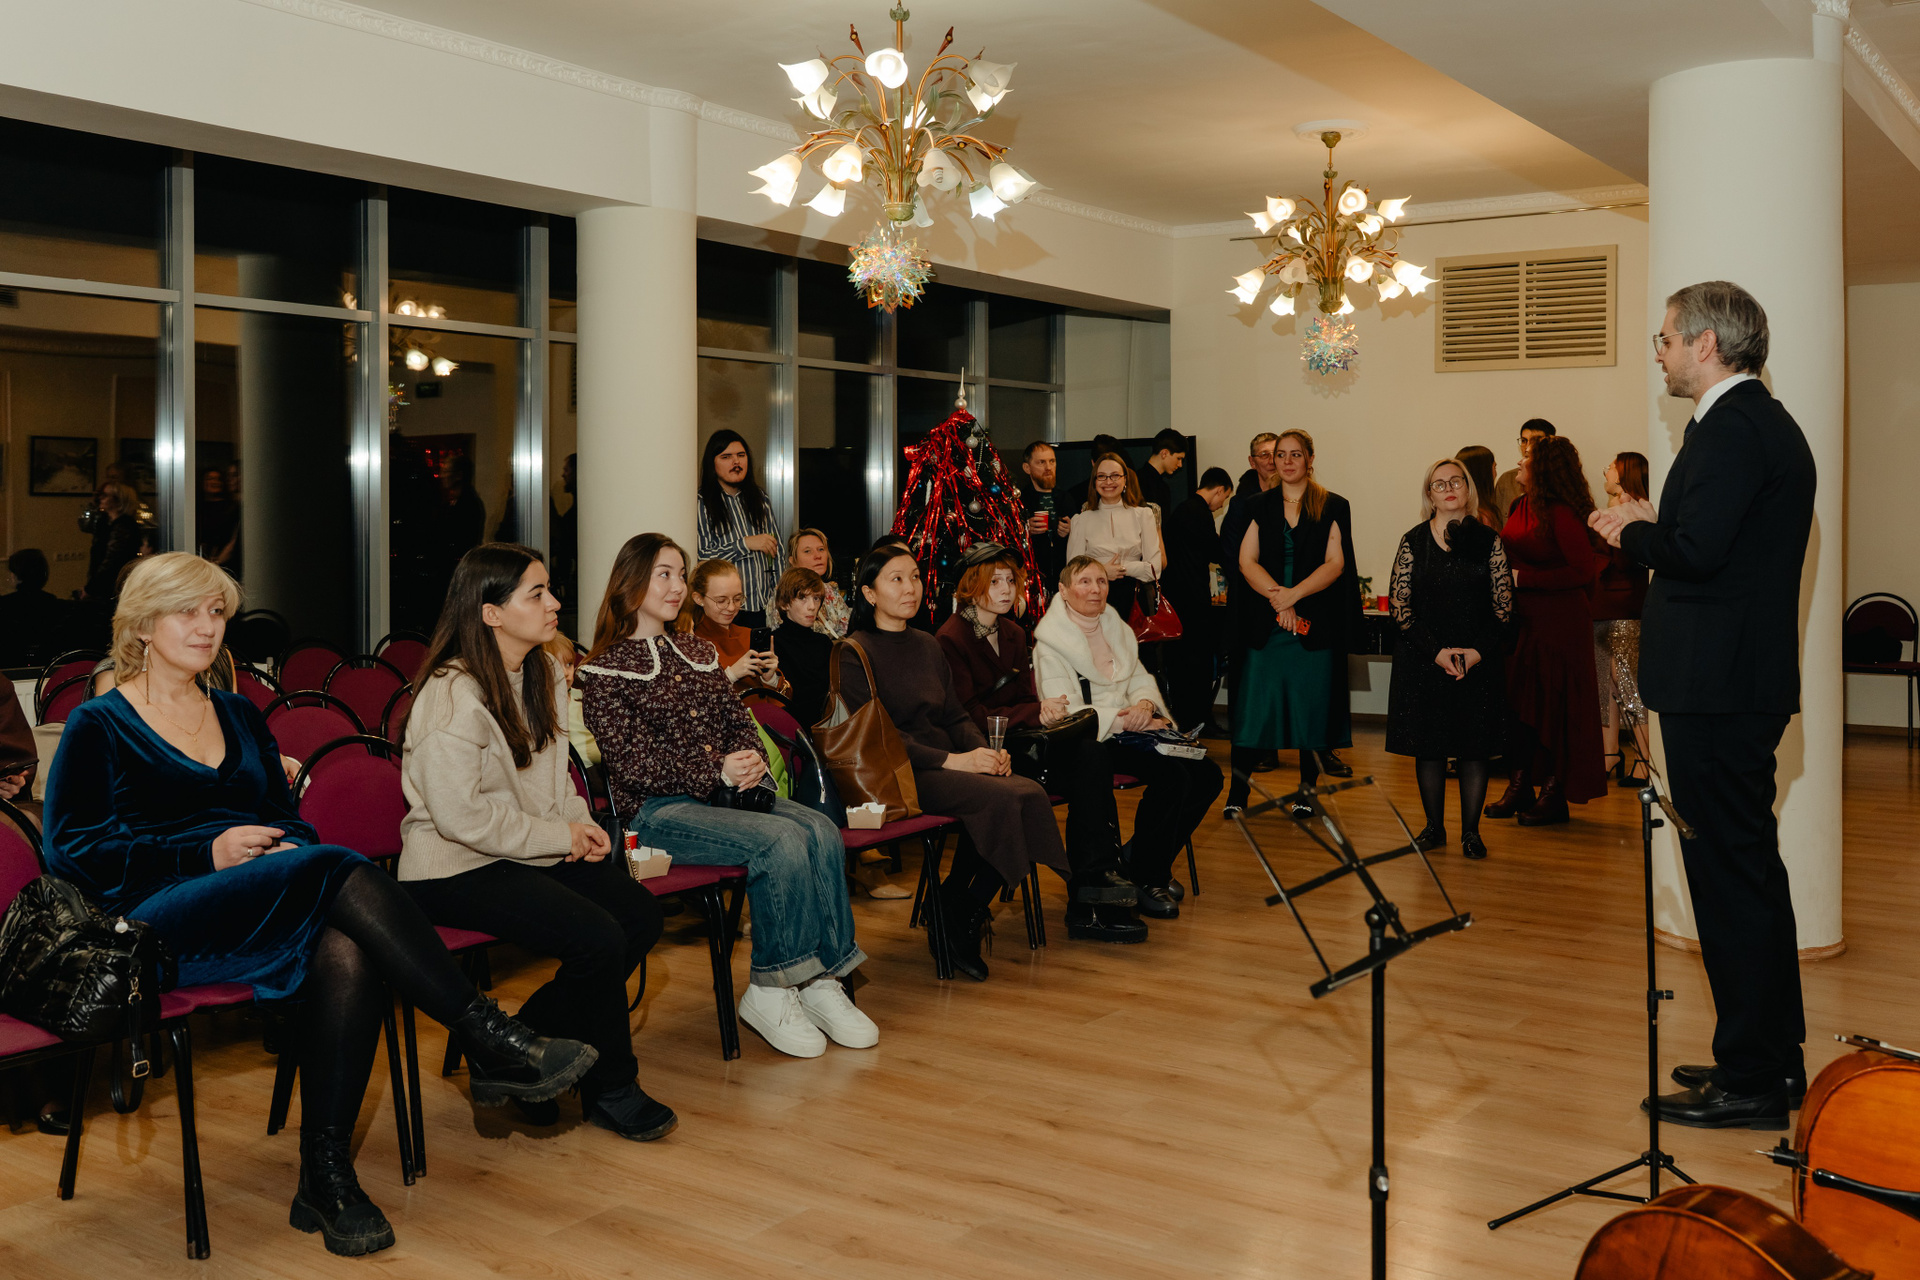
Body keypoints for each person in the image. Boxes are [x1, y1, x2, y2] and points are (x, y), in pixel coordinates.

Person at [43, 552, 594, 1258]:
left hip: (264, 903)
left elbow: (289, 822)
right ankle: (488, 1036)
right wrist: (205, 854)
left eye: (217, 612)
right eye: (187, 612)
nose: (208, 627)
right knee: (336, 865)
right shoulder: (100, 724)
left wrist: (275, 853)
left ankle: (325, 1176)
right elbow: (75, 853)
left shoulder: (238, 713)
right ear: (142, 626)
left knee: (349, 945)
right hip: (157, 920)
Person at [1591, 280, 1814, 1130]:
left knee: (1728, 881)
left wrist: (1632, 531)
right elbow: (1718, 543)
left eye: (1666, 339)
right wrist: (1659, 523)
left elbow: (1698, 554)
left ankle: (1751, 1077)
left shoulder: (1729, 428)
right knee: (1747, 872)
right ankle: (1769, 1058)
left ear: (1706, 345)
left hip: (1717, 689)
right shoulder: (1757, 423)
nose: (1659, 353)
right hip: (1732, 683)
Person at [398, 543, 674, 1140]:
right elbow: (460, 818)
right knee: (598, 937)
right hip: (452, 866)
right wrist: (557, 835)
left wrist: (579, 825)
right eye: (537, 593)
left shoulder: (544, 670)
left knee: (638, 915)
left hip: (524, 848)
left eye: (549, 590)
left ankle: (516, 1046)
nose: (554, 603)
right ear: (491, 613)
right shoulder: (450, 693)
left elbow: (555, 775)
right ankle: (611, 1088)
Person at [580, 532, 877, 1058]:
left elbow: (738, 720)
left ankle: (820, 979)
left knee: (820, 827)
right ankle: (773, 987)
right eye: (664, 574)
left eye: (680, 573)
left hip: (722, 798)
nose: (677, 585)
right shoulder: (603, 670)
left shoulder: (697, 651)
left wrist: (748, 760)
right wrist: (714, 768)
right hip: (655, 814)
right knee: (780, 841)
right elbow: (631, 764)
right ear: (631, 582)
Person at [839, 546, 1069, 981]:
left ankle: (957, 906)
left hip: (946, 761)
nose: (910, 588)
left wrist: (986, 753)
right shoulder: (854, 653)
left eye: (914, 577)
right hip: (901, 772)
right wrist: (958, 761)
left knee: (1027, 792)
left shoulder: (926, 645)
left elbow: (956, 716)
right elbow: (881, 737)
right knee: (1000, 801)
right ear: (869, 594)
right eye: (896, 579)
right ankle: (958, 911)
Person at [934, 543, 1144, 941]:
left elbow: (1026, 699)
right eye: (994, 582)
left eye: (1010, 581)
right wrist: (1034, 713)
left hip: (1023, 745)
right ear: (971, 586)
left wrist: (1042, 711)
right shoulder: (950, 637)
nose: (1006, 589)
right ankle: (1087, 889)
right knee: (1082, 768)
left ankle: (1093, 882)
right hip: (980, 750)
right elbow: (967, 714)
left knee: (1093, 755)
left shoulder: (1013, 633)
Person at [1036, 555, 1222, 918]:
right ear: (1064, 590)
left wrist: (1145, 704)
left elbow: (1139, 678)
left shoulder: (1115, 627)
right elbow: (1067, 711)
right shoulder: (1050, 643)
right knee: (1174, 777)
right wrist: (1127, 720)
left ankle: (1141, 859)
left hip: (1135, 731)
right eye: (1085, 582)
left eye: (1101, 581)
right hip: (1094, 739)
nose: (1095, 589)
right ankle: (1149, 877)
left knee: (1208, 776)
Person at [1385, 460, 1514, 861]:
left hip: (1476, 661)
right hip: (1425, 660)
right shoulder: (1413, 541)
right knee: (1430, 749)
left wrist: (1475, 653)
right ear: (1430, 494)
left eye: (1455, 481)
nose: (1448, 488)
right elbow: (1400, 607)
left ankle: (1471, 834)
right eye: (1439, 484)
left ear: (1468, 489)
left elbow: (1503, 608)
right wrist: (1437, 653)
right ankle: (1433, 828)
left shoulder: (1489, 540)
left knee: (1474, 750)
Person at [1227, 429, 1358, 814]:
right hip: (1266, 627)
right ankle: (1237, 795)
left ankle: (1306, 794)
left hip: (1313, 627)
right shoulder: (1257, 505)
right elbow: (1246, 561)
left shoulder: (1333, 505)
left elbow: (1335, 564)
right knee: (1252, 711)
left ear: (1310, 459)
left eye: (1295, 454)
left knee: (1310, 713)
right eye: (1280, 454)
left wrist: (1293, 596)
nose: (1286, 461)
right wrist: (1279, 600)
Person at [1486, 435, 1606, 826]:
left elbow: (1582, 571)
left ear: (1543, 468)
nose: (1520, 463)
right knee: (1521, 708)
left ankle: (1554, 793)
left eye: (1527, 458)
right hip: (1524, 622)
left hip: (1560, 625)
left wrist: (1525, 579)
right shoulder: (1519, 505)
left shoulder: (1562, 512)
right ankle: (1520, 785)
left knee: (1554, 708)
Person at [1594, 451, 1653, 784]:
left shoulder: (1636, 511)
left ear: (1624, 473)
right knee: (1605, 683)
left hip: (1625, 604)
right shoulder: (1612, 509)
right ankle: (1610, 753)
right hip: (1601, 604)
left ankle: (1645, 759)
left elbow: (1630, 560)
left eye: (1612, 467)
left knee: (1627, 683)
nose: (1606, 471)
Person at [1162, 466, 1232, 733]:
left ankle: (1186, 718)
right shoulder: (1199, 512)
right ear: (1219, 490)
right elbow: (1215, 552)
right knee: (1198, 665)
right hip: (1192, 601)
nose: (1221, 505)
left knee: (1182, 665)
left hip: (1177, 598)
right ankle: (1199, 720)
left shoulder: (1183, 509)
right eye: (1224, 498)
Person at [695, 429, 781, 630]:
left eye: (741, 455)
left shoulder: (760, 499)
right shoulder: (701, 503)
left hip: (765, 609)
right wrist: (745, 544)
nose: (736, 462)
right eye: (726, 457)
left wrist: (779, 596)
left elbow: (778, 553)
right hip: (726, 611)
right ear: (712, 464)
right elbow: (702, 558)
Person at [1065, 451, 1164, 620]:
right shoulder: (1081, 520)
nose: (1108, 481)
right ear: (1094, 482)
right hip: (1092, 601)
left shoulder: (1143, 515)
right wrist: (1103, 571)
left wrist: (1118, 569)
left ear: (1125, 480)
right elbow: (1073, 572)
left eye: (1115, 476)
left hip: (1134, 601)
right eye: (1101, 476)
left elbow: (1154, 569)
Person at [677, 557, 785, 698]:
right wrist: (731, 675)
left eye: (737, 599)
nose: (732, 607)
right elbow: (689, 699)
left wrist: (770, 678)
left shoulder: (747, 635)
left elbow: (784, 697)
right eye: (721, 601)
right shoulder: (691, 642)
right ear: (699, 598)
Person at [772, 566, 833, 728]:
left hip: (826, 727)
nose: (812, 606)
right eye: (802, 598)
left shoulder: (824, 643)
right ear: (784, 603)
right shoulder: (774, 643)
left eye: (816, 598)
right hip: (789, 728)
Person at [1015, 441, 1072, 593]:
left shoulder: (1067, 498)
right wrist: (1024, 530)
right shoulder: (1019, 501)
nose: (1048, 467)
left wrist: (1071, 531)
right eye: (1041, 462)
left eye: (1052, 461)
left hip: (1064, 578)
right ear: (1027, 468)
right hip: (1031, 580)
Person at [0, 549, 71, 668]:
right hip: (46, 663)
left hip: (11, 665)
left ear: (18, 575)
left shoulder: (6, 604)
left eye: (12, 572)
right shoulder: (52, 602)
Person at [82, 481, 143, 606]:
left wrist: (91, 588)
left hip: (113, 586)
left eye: (105, 495)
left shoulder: (124, 526)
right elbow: (84, 525)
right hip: (104, 585)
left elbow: (112, 561)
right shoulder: (105, 523)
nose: (100, 498)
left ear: (118, 500)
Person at [787, 527, 850, 639]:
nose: (818, 556)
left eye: (821, 549)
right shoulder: (785, 594)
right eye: (807, 551)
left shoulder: (830, 591)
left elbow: (849, 630)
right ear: (793, 561)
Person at [1492, 419, 1555, 520]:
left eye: (1535, 441)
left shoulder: (1559, 479)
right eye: (1524, 441)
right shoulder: (1506, 481)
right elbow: (1497, 522)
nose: (1527, 446)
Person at [195, 466, 241, 571]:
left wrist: (216, 563)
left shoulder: (231, 508)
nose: (215, 482)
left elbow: (232, 541)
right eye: (210, 478)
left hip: (224, 562)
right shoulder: (196, 508)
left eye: (218, 479)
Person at [1139, 427, 1187, 518]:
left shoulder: (1162, 486)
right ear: (1164, 453)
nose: (1180, 465)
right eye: (1178, 458)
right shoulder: (1135, 481)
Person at [1455, 445, 1502, 529]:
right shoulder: (1483, 517)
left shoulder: (1454, 510)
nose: (1495, 474)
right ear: (1484, 473)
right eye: (1494, 467)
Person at [1234, 432, 1280, 500]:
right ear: (1252, 462)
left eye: (1277, 454)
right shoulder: (1241, 501)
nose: (1272, 461)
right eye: (1264, 455)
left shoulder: (1294, 495)